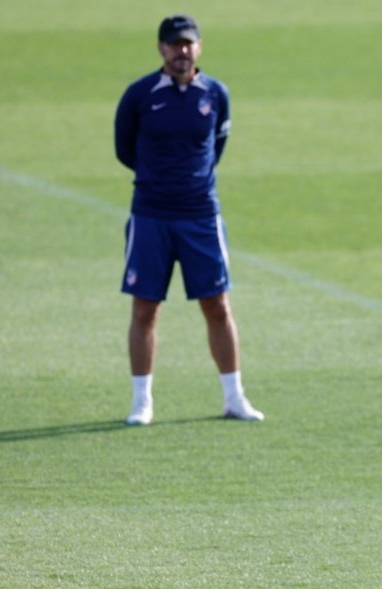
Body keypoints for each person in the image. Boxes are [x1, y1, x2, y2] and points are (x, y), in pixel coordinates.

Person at [114, 14, 262, 425]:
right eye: (174, 44)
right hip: (151, 215)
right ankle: (141, 402)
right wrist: (159, 180)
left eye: (189, 44)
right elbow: (124, 149)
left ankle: (234, 397)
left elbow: (217, 146)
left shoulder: (216, 94)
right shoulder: (139, 95)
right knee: (145, 308)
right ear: (161, 48)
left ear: (199, 47)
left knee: (217, 305)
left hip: (200, 215)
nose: (182, 52)